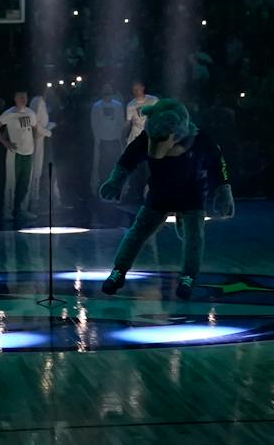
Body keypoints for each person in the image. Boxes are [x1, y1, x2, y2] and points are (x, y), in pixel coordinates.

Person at [97, 99, 233, 297]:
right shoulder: (146, 137)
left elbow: (217, 165)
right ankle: (118, 271)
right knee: (137, 232)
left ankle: (188, 276)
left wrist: (223, 191)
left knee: (194, 237)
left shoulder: (200, 139)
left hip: (192, 194)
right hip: (160, 192)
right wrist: (115, 181)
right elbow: (128, 158)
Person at [0, 90, 44, 224]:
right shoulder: (9, 113)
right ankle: (8, 211)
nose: (23, 99)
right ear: (15, 98)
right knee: (12, 183)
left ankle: (22, 209)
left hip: (28, 152)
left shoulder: (31, 113)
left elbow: (34, 129)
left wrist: (35, 142)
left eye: (25, 97)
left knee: (25, 184)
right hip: (15, 153)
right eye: (20, 96)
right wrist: (6, 143)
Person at [89, 88, 127, 194]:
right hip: (103, 140)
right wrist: (97, 139)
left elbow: (121, 121)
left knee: (114, 164)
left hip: (115, 139)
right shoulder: (97, 106)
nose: (107, 96)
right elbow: (94, 124)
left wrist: (121, 137)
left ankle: (113, 187)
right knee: (103, 165)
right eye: (105, 94)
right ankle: (102, 186)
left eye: (109, 94)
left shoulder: (118, 105)